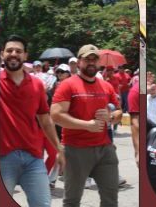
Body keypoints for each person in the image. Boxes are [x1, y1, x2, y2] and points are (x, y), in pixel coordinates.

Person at [50, 44, 122, 207]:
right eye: (87, 59)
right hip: (76, 150)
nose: (91, 62)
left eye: (94, 59)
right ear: (79, 62)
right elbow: (56, 115)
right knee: (72, 201)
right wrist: (86, 125)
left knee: (111, 199)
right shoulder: (68, 85)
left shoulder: (106, 86)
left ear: (99, 63)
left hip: (105, 149)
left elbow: (118, 112)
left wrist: (110, 117)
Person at [0, 36, 63, 207]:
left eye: (18, 51)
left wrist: (59, 148)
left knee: (42, 204)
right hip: (4, 158)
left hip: (33, 157)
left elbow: (45, 119)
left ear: (25, 56)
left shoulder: (37, 85)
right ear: (2, 54)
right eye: (9, 50)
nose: (14, 54)